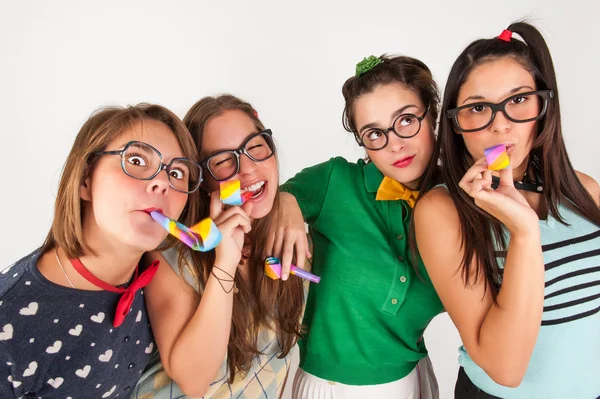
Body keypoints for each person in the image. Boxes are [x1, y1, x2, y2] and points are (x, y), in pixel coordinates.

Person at [414, 22, 600, 399]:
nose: (500, 126)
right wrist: (525, 231)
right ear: (456, 124)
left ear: (543, 106)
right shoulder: (442, 210)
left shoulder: (585, 189)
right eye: (478, 108)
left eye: (517, 100)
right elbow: (504, 367)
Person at [0, 104, 202, 398]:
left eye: (177, 172)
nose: (162, 182)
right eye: (136, 159)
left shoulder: (156, 271)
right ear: (85, 180)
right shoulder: (9, 326)